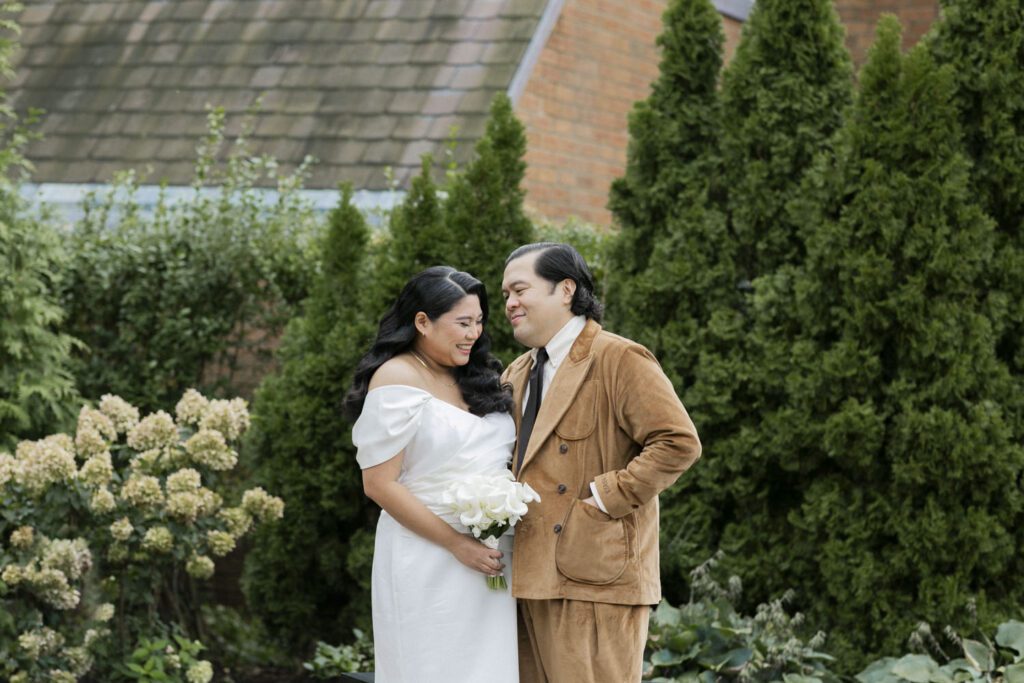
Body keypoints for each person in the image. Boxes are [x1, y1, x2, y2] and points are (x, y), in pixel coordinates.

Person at [501, 243, 702, 683]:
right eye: (505, 296)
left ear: (565, 289)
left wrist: (603, 498)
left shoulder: (618, 357)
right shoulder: (517, 371)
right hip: (527, 576)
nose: (510, 304)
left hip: (596, 577)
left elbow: (678, 441)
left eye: (519, 290)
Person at [344, 266, 518, 682]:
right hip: (428, 553)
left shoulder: (479, 377)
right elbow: (379, 483)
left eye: (478, 321)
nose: (473, 333)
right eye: (462, 322)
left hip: (493, 554)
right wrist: (459, 544)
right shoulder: (397, 376)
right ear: (422, 321)